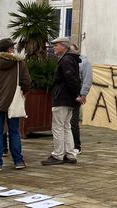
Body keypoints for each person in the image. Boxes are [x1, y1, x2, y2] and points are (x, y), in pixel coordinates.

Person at [0, 38, 30, 171]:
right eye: (12, 48)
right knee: (14, 132)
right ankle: (18, 161)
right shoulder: (20, 64)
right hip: (13, 103)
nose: (14, 50)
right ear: (9, 49)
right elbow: (27, 82)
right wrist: (23, 93)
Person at [41, 37, 80, 165]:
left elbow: (71, 79)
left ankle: (58, 155)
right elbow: (73, 79)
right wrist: (77, 96)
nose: (54, 48)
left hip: (62, 98)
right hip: (69, 99)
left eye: (56, 45)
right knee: (66, 126)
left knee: (58, 127)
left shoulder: (66, 60)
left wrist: (76, 95)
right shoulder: (70, 58)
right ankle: (69, 154)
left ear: (64, 46)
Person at [69, 44, 92, 155]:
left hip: (76, 94)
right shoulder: (66, 61)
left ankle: (76, 146)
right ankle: (68, 145)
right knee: (66, 122)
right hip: (66, 95)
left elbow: (87, 79)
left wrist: (83, 94)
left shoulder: (84, 62)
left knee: (73, 121)